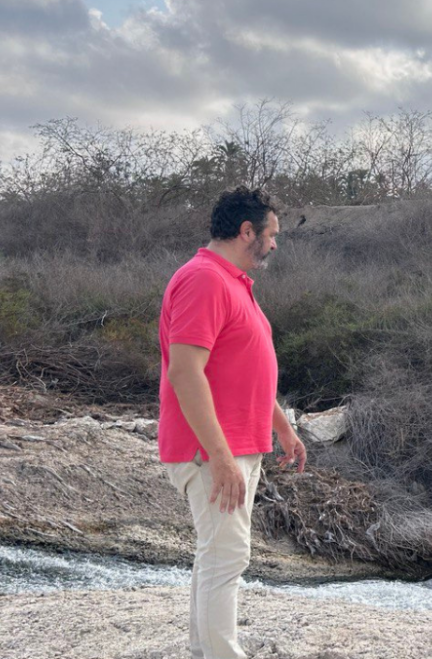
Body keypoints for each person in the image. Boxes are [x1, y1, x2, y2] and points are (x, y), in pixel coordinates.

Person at [158, 186, 307, 659]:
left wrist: (281, 427)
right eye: (272, 234)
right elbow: (185, 372)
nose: (275, 243)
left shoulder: (233, 281)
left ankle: (206, 652)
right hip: (212, 449)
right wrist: (220, 457)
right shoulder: (203, 279)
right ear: (247, 232)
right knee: (227, 557)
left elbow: (244, 371)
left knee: (217, 555)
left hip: (239, 444)